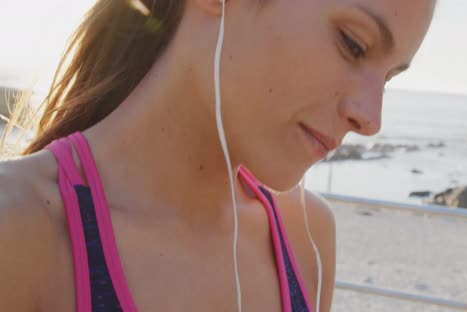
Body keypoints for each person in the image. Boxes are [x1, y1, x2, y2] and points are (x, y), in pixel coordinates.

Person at [0, 0, 435, 311]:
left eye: (389, 77)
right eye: (353, 44)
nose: (371, 118)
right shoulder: (19, 233)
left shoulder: (306, 240)